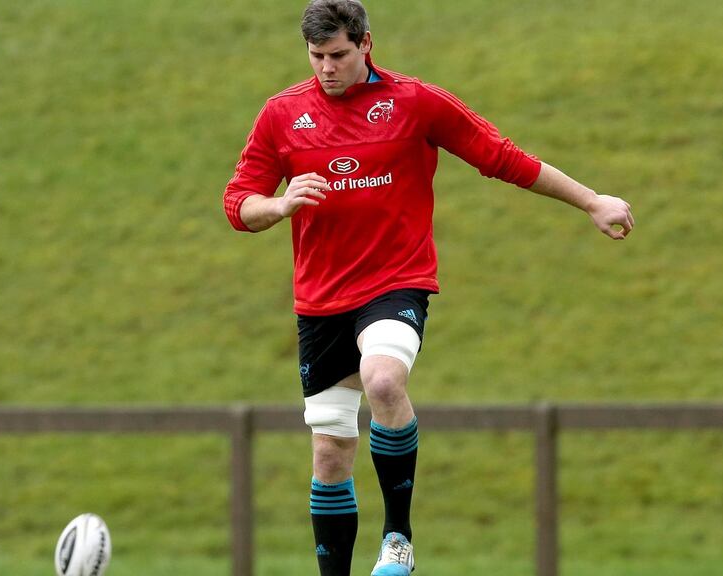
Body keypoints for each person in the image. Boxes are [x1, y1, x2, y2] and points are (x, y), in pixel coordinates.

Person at [223, 1, 634, 574]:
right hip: (321, 302)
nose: (327, 68)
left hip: (395, 284)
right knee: (330, 449)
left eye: (338, 55)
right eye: (316, 57)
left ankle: (398, 538)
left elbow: (501, 157)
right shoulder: (282, 115)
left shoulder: (415, 103)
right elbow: (238, 203)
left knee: (383, 379)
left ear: (366, 44)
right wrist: (279, 204)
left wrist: (591, 201)